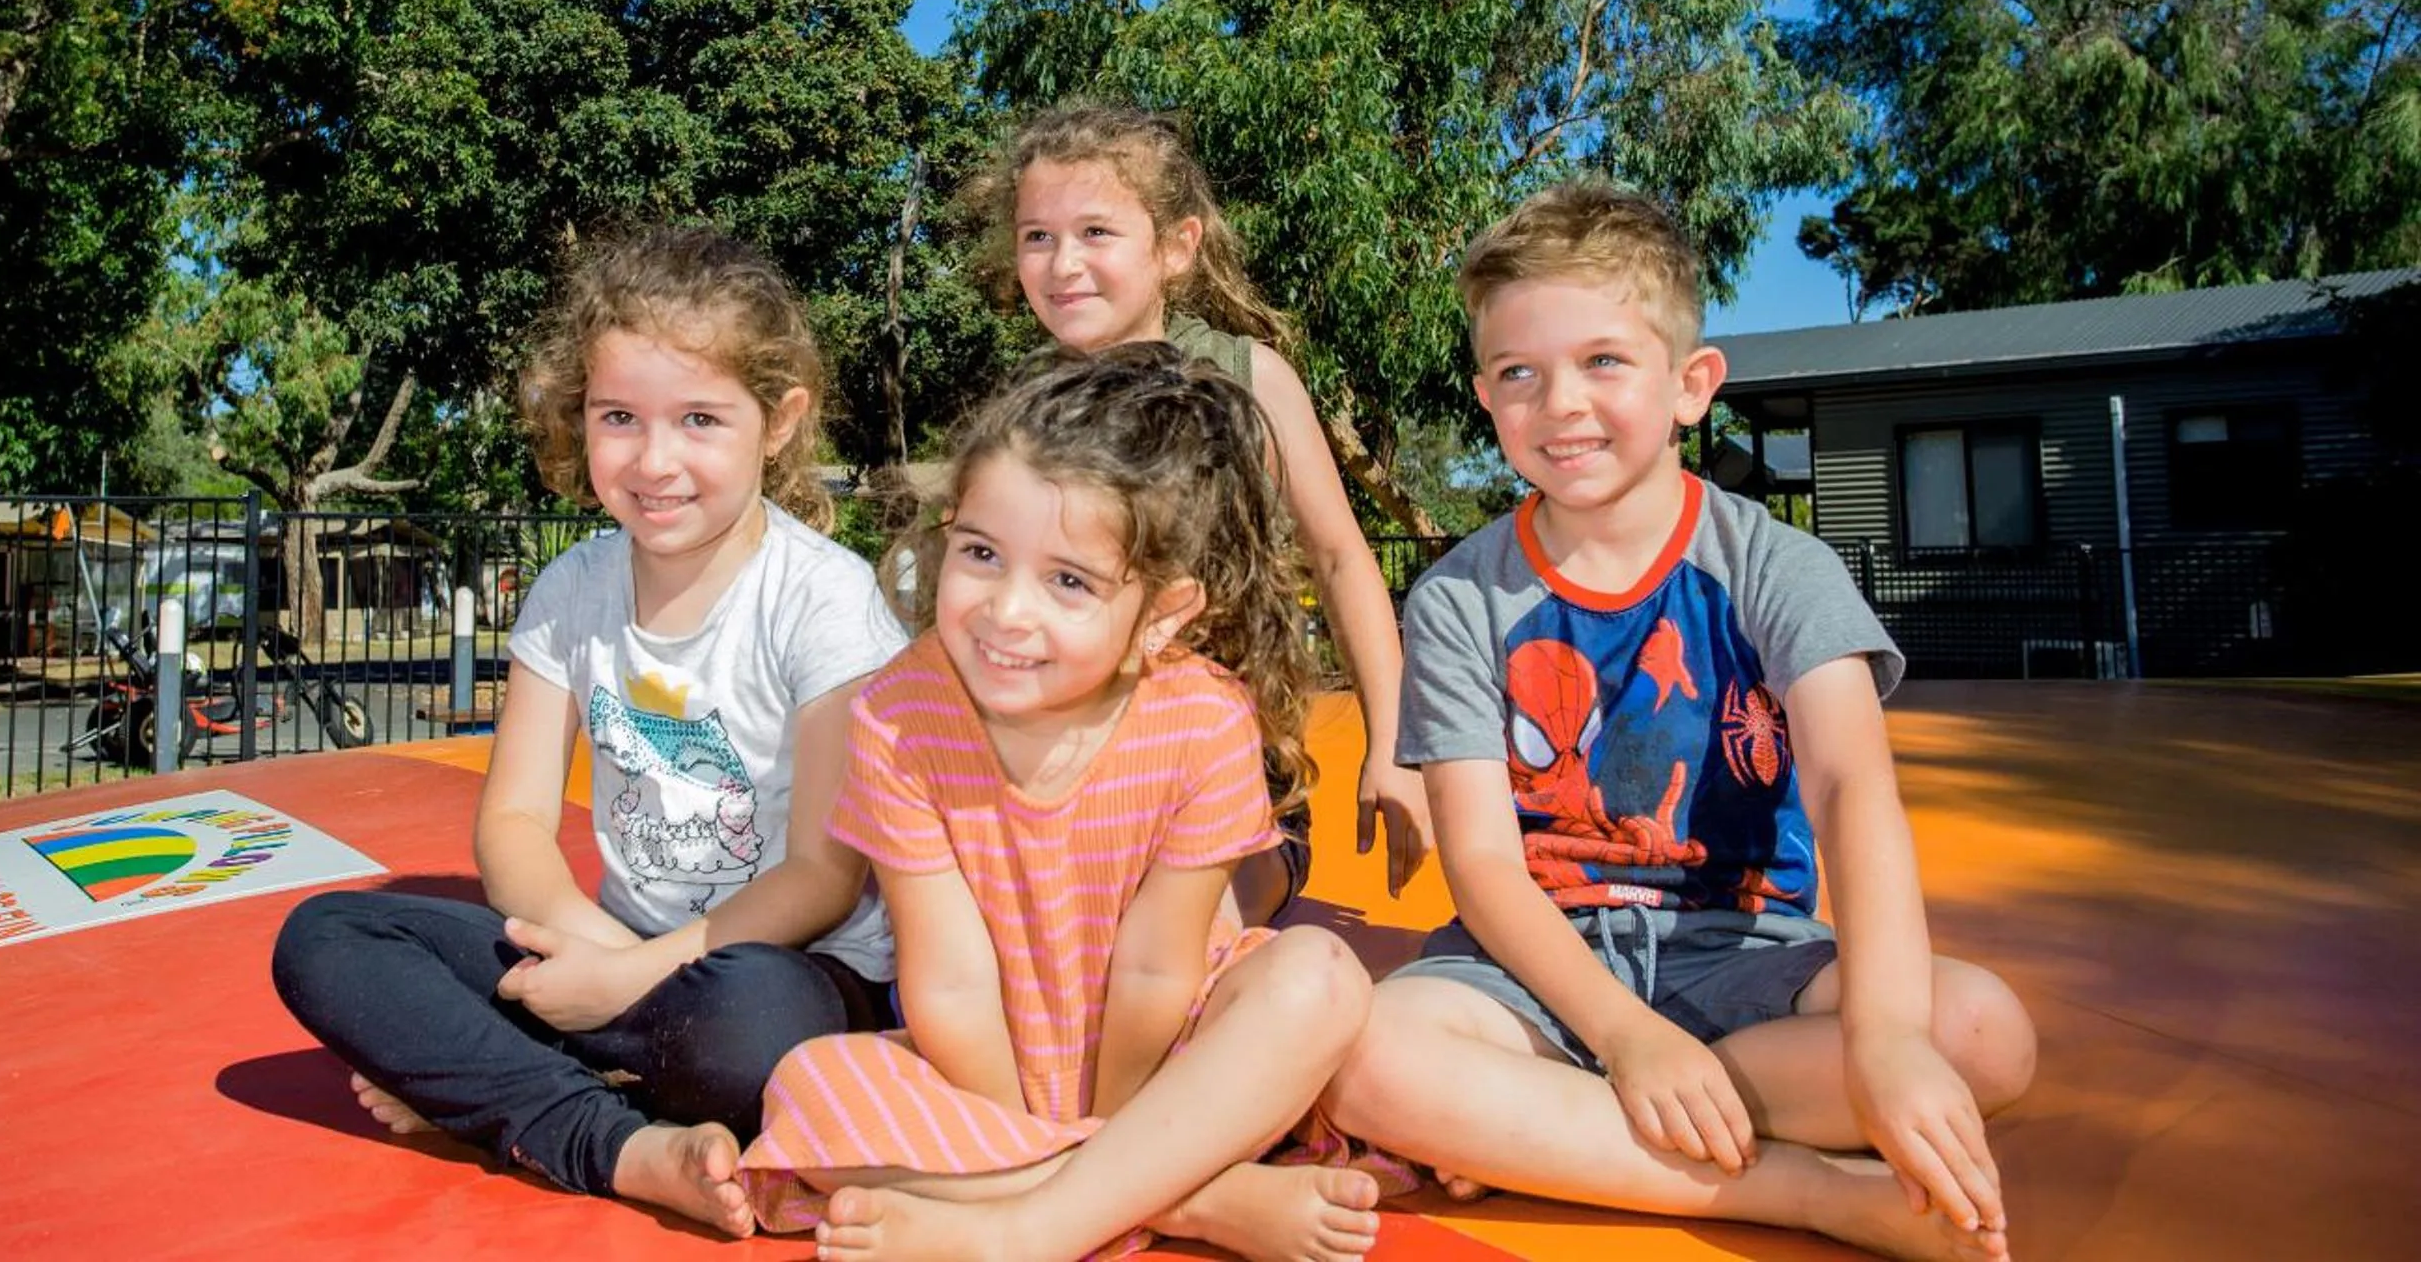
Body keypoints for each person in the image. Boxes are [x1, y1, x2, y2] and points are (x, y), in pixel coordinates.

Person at [1321, 182, 2040, 1262]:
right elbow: (1481, 863)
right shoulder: (1462, 597)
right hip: (1536, 973)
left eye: (1603, 361)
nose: (1561, 402)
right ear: (1486, 397)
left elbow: (1852, 790)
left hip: (1747, 953)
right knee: (1366, 1058)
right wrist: (1625, 1037)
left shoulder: (1775, 566)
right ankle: (1806, 1191)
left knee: (1982, 1032)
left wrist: (1886, 1041)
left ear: (1690, 383)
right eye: (1520, 373)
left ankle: (1548, 1132)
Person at [270, 225, 905, 1239]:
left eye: (700, 418)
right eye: (620, 417)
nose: (655, 460)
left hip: (780, 967)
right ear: (582, 417)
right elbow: (514, 821)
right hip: (619, 959)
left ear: (777, 422)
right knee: (330, 937)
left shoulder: (823, 598)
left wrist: (632, 981)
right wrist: (594, 949)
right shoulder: (572, 589)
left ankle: (510, 1085)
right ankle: (620, 1141)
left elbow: (821, 879)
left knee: (751, 1034)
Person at [738, 343, 1395, 1262]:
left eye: (1069, 581)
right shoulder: (899, 711)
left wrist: (1114, 1129)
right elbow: (952, 981)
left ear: (1161, 614)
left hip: (1167, 1056)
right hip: (985, 1077)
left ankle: (1030, 1222)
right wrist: (1087, 1151)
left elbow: (1159, 971)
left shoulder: (1203, 716)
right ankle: (1187, 1199)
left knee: (1319, 978)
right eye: (979, 553)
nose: (1006, 610)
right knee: (805, 1085)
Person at [983, 102, 1431, 918]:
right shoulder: (1021, 414)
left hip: (1231, 779)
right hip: (1066, 773)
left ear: (1177, 247)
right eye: (1036, 236)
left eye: (1095, 232)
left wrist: (1394, 748)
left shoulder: (1246, 378)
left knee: (1173, 935)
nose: (1062, 263)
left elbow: (1338, 556)